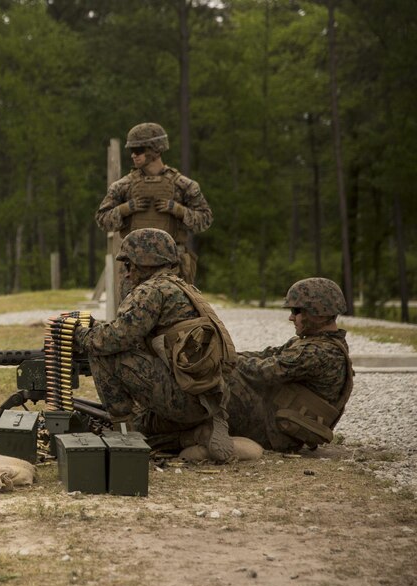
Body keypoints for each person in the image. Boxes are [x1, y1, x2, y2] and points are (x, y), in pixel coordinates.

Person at [73, 228, 237, 462]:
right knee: (144, 423)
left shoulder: (151, 290)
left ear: (145, 260)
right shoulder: (181, 287)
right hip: (207, 396)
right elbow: (133, 332)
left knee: (101, 353)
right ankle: (195, 435)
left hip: (186, 399)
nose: (127, 274)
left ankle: (124, 439)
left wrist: (80, 335)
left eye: (129, 265)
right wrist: (95, 327)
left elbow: (113, 340)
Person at [224, 278, 354, 452]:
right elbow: (266, 354)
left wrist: (224, 360)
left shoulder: (319, 353)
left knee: (224, 376)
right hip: (278, 422)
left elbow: (263, 371)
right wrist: (228, 355)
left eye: (297, 311)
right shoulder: (317, 343)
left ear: (320, 314)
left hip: (277, 432)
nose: (291, 317)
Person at [96, 122, 212, 284]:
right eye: (131, 151)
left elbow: (205, 221)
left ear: (155, 150)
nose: (133, 155)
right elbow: (102, 220)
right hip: (135, 267)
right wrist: (126, 209)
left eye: (138, 150)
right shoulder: (123, 186)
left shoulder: (184, 186)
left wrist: (178, 210)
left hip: (172, 264)